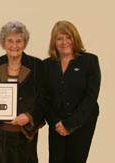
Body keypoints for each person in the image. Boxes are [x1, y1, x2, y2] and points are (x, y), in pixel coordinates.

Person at [0, 21, 49, 163]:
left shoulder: (37, 65)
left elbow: (44, 98)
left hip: (26, 134)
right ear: (3, 43)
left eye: (19, 41)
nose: (14, 45)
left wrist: (29, 116)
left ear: (25, 43)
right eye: (10, 41)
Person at [43, 20, 101, 163]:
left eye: (68, 37)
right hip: (57, 124)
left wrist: (70, 125)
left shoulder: (90, 61)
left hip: (82, 123)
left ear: (75, 38)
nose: (64, 42)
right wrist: (56, 123)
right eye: (59, 38)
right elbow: (44, 97)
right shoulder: (46, 65)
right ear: (54, 42)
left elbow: (91, 96)